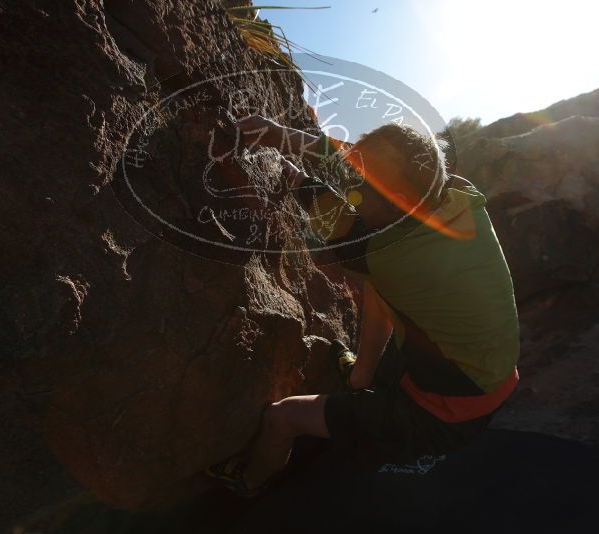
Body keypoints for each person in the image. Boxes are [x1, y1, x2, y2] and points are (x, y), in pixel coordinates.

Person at [206, 115, 520, 496]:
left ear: (401, 203)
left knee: (282, 416)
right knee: (386, 287)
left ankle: (250, 481)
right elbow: (362, 167)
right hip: (487, 371)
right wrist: (285, 136)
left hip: (445, 413)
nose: (352, 193)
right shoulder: (459, 194)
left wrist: (291, 172)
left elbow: (324, 205)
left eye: (360, 192)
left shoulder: (382, 253)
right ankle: (362, 378)